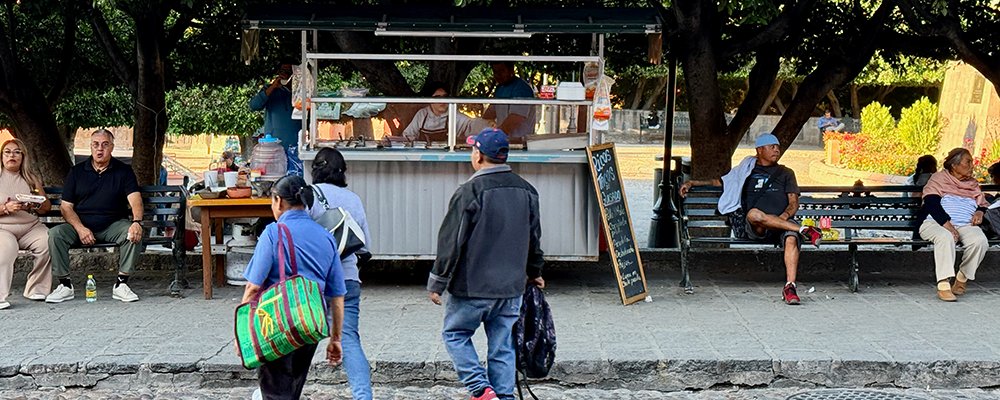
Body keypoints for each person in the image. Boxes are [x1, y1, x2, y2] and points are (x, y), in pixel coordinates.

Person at [427, 128, 545, 400]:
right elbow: (533, 238)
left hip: (472, 286)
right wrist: (535, 272)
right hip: (511, 287)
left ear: (478, 155)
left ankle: (480, 389)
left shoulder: (469, 191)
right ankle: (503, 397)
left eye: (473, 149)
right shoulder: (527, 190)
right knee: (503, 346)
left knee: (455, 334)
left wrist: (438, 282)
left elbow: (451, 241)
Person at [679, 133, 823, 305]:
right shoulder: (746, 170)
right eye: (772, 146)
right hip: (755, 227)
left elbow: (793, 203)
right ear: (759, 150)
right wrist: (692, 183)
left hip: (783, 223)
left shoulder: (786, 173)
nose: (776, 149)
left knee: (791, 238)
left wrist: (782, 218)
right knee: (754, 214)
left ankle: (790, 287)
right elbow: (719, 182)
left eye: (777, 147)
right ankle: (803, 230)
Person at [242, 175, 346, 399]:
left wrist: (243, 332)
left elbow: (252, 287)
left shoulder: (273, 233)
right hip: (310, 325)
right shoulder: (326, 237)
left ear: (278, 201)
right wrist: (335, 339)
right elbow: (337, 297)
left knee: (275, 393)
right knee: (291, 391)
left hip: (276, 323)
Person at [45, 129, 144, 304]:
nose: (100, 149)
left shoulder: (124, 171)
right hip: (80, 226)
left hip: (112, 225)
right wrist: (80, 228)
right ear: (90, 147)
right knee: (56, 234)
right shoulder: (76, 172)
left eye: (105, 145)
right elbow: (66, 208)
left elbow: (135, 200)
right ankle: (65, 285)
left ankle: (121, 284)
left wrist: (136, 222)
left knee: (132, 233)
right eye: (96, 145)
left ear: (112, 147)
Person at [307, 148, 373, 400]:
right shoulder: (354, 199)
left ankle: (282, 393)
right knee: (349, 340)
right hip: (347, 279)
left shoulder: (309, 196)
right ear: (343, 172)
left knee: (299, 342)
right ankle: (363, 397)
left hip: (312, 282)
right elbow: (365, 245)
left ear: (315, 170)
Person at [919, 148, 990, 302]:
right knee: (945, 237)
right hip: (935, 223)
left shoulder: (972, 183)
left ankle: (962, 278)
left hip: (964, 223)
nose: (972, 166)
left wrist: (980, 212)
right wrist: (948, 226)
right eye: (968, 162)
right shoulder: (938, 179)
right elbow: (931, 203)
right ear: (954, 165)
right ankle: (943, 284)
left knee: (980, 241)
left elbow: (982, 203)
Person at [0, 139, 52, 309]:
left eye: (16, 152)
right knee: (6, 248)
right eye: (7, 152)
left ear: (23, 156)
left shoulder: (31, 179)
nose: (11, 156)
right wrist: (5, 208)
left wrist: (34, 203)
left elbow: (46, 207)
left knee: (48, 241)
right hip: (4, 228)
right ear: (1, 156)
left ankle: (37, 288)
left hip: (30, 227)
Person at [250, 60, 303, 176]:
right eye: (282, 71)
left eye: (289, 72)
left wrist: (293, 87)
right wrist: (273, 86)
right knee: (275, 180)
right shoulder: (270, 90)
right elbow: (254, 105)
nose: (285, 74)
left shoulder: (300, 92)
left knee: (295, 181)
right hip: (274, 148)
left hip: (296, 147)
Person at [402, 83, 477, 143]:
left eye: (445, 97)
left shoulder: (454, 116)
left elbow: (472, 125)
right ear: (429, 100)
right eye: (437, 97)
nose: (442, 100)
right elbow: (408, 135)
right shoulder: (422, 114)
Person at [483, 62, 537, 140]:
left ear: (511, 70)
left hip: (520, 142)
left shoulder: (522, 89)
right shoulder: (499, 88)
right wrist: (480, 126)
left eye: (501, 71)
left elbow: (515, 118)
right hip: (504, 140)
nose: (498, 75)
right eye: (495, 72)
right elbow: (490, 113)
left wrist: (495, 137)